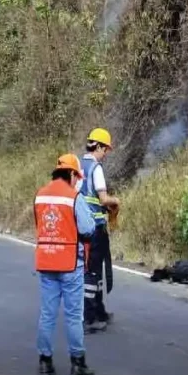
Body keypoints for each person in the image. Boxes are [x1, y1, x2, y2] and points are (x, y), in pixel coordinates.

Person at [35, 154, 96, 375]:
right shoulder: (74, 197)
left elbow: (40, 226)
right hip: (70, 264)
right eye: (76, 176)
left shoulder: (40, 196)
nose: (76, 180)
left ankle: (44, 363)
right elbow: (88, 228)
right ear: (72, 174)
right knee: (73, 315)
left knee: (47, 314)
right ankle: (77, 364)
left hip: (46, 262)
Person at [80, 128, 120, 332]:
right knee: (93, 272)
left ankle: (99, 310)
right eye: (105, 149)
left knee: (94, 271)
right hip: (96, 228)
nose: (106, 154)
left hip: (81, 227)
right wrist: (116, 201)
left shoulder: (77, 166)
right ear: (98, 146)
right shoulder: (96, 169)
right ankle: (88, 318)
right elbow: (103, 199)